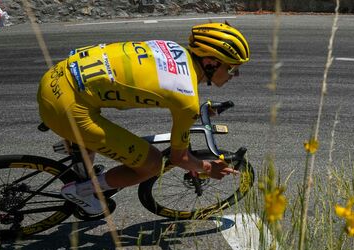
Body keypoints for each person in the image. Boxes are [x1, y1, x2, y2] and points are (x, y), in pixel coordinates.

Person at [36, 22, 250, 216]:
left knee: (99, 131)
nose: (235, 75)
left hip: (57, 76)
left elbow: (162, 83)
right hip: (66, 107)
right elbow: (179, 158)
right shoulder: (186, 100)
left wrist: (194, 110)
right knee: (153, 164)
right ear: (210, 62)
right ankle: (79, 191)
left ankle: (78, 145)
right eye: (232, 68)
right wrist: (207, 168)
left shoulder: (172, 48)